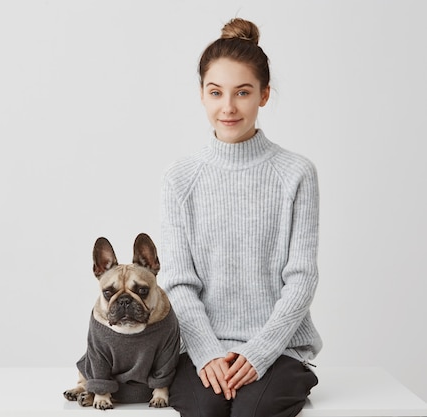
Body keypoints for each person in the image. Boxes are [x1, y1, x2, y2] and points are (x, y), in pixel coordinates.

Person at [160, 18, 322, 417]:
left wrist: (259, 353)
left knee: (252, 411)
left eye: (243, 92)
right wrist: (207, 352)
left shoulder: (296, 173)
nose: (228, 107)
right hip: (201, 346)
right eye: (216, 92)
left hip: (279, 347)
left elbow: (301, 279)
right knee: (207, 411)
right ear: (202, 94)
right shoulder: (180, 178)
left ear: (264, 95)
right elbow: (179, 283)